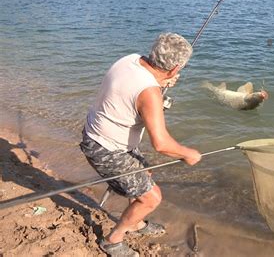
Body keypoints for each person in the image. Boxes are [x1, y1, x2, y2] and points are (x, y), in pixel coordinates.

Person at [80, 33, 201, 256]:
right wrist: (188, 154)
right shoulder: (149, 93)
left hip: (97, 134)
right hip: (105, 148)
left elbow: (134, 92)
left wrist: (161, 82)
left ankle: (135, 224)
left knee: (146, 176)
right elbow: (161, 144)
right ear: (174, 69)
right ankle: (113, 240)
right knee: (151, 198)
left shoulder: (130, 60)